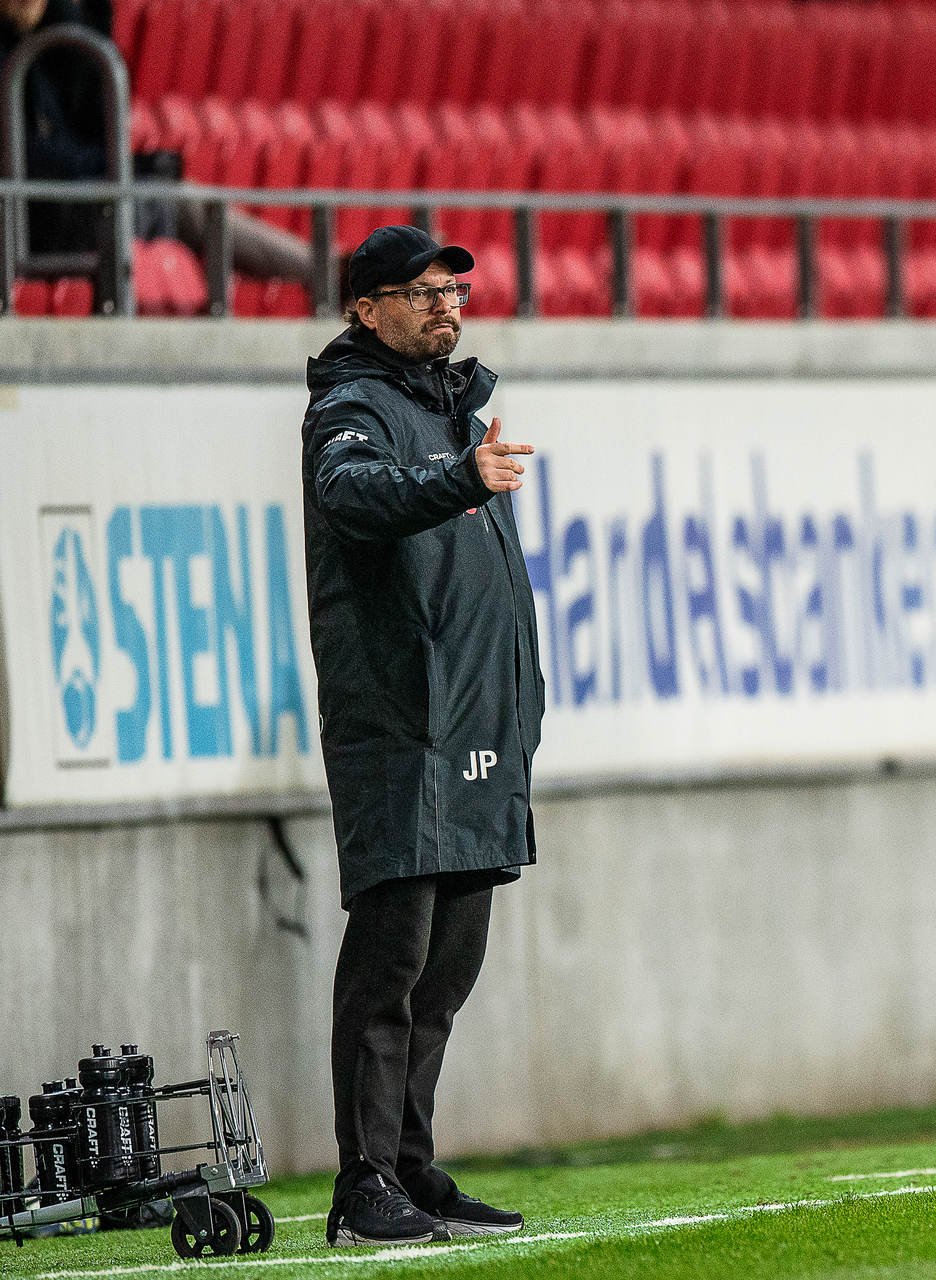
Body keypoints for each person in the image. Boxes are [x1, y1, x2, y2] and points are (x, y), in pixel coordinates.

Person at [301, 226, 543, 1248]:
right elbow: (351, 497)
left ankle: (406, 1163)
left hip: (476, 727)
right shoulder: (351, 404)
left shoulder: (450, 408)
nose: (447, 304)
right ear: (367, 309)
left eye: (453, 289)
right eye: (421, 291)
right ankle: (363, 1184)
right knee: (390, 961)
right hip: (403, 726)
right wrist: (459, 477)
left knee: (446, 967)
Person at [0, 0, 310, 283]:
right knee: (179, 202)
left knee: (181, 199)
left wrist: (77, 17)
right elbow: (26, 155)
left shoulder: (56, 43)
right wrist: (129, 166)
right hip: (29, 219)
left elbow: (98, 121)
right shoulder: (15, 51)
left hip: (75, 203)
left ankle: (324, 269)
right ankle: (323, 270)